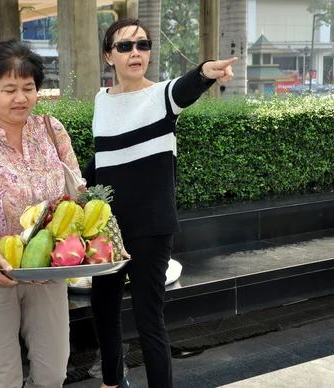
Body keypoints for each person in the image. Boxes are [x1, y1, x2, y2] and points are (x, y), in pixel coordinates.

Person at [83, 19, 238, 388]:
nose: (135, 52)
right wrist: (76, 186)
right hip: (108, 228)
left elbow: (187, 87)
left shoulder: (163, 95)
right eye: (125, 46)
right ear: (109, 56)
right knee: (103, 310)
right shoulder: (101, 100)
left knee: (148, 317)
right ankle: (111, 383)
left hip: (151, 226)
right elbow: (105, 156)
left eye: (142, 45)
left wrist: (205, 72)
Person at [0, 40, 85, 388]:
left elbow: (78, 196)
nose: (21, 97)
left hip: (46, 271)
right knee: (4, 378)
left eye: (29, 88)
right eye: (9, 89)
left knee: (53, 373)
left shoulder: (52, 130)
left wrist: (103, 243)